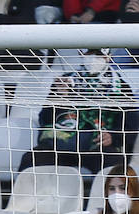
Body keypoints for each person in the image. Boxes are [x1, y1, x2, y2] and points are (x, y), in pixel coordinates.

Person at [17, 49, 137, 177]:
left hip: (98, 147)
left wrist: (113, 137)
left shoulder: (120, 87)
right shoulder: (65, 82)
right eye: (89, 53)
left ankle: (111, 197)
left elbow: (131, 124)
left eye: (98, 54)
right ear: (81, 54)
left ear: (108, 57)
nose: (93, 58)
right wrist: (59, 99)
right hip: (61, 145)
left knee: (115, 165)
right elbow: (45, 120)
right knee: (32, 159)